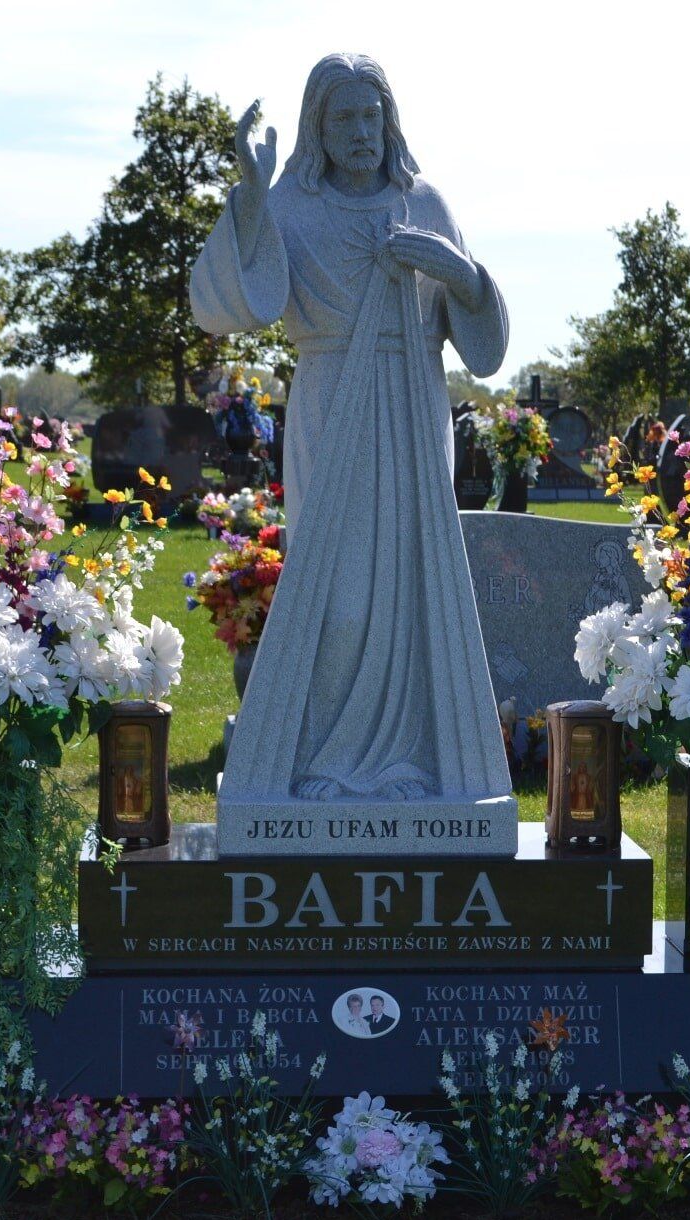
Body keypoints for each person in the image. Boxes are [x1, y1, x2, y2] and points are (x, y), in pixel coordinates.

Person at [193, 52, 512, 813]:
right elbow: (238, 302)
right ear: (319, 129)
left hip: (411, 403)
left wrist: (458, 272)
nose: (363, 132)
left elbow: (485, 348)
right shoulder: (293, 209)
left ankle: (407, 767)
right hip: (331, 404)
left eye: (373, 116)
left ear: (389, 121)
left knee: (412, 588)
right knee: (336, 596)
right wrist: (247, 194)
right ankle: (323, 766)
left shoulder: (423, 202)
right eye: (346, 119)